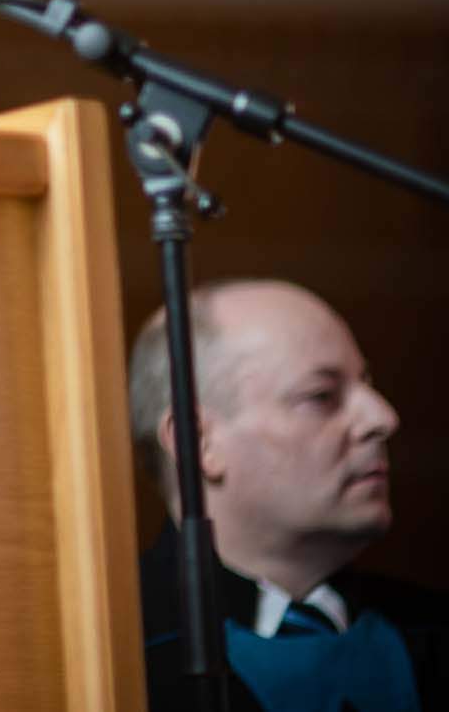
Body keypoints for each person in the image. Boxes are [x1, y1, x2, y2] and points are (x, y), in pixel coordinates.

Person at [129, 278, 446, 711]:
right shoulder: (110, 656)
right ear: (198, 442)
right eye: (321, 396)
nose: (382, 417)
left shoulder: (428, 630)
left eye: (367, 385)